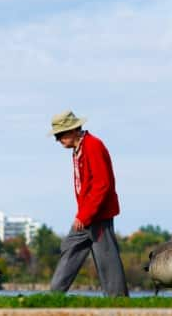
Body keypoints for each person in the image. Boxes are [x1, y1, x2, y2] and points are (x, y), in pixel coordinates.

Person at [49, 110, 128, 297]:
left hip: (98, 216)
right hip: (86, 216)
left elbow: (102, 185)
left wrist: (85, 215)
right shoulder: (79, 149)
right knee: (69, 247)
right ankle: (53, 295)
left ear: (74, 130)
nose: (58, 139)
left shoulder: (93, 146)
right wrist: (83, 214)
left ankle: (119, 302)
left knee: (107, 260)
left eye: (60, 134)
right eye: (56, 136)